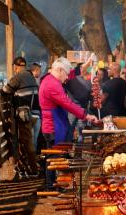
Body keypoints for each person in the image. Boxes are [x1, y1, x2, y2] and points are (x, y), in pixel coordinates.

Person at [39, 57, 98, 190]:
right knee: (52, 157)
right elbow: (68, 104)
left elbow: (73, 73)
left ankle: (52, 184)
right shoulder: (52, 84)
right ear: (59, 70)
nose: (67, 78)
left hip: (53, 123)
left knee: (53, 156)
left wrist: (88, 63)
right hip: (52, 126)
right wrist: (86, 115)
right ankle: (50, 186)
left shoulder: (51, 79)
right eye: (65, 74)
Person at [0, 56, 40, 178]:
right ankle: (26, 168)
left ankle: (33, 171)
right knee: (28, 142)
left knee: (27, 143)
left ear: (16, 67)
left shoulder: (19, 76)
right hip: (36, 115)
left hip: (26, 115)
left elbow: (6, 89)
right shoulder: (30, 76)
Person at [29, 62, 42, 152]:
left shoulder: (32, 81)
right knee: (33, 139)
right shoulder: (32, 82)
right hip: (33, 114)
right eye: (39, 71)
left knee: (33, 138)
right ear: (36, 70)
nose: (40, 73)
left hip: (34, 113)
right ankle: (33, 159)